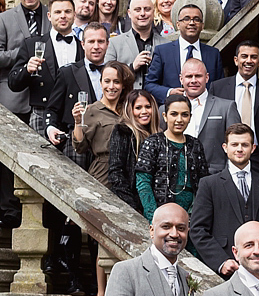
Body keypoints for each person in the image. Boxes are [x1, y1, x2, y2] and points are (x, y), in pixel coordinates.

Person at [188, 122, 259, 277]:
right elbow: (198, 229)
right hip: (227, 268)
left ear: (253, 148)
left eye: (244, 144)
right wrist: (221, 261)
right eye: (234, 144)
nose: (239, 149)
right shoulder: (209, 184)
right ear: (225, 147)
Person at [208, 39, 259, 173]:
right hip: (226, 158)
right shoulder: (218, 88)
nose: (249, 61)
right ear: (236, 60)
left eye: (254, 57)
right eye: (244, 56)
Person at [135, 92, 208, 220]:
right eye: (174, 114)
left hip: (191, 217)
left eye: (184, 115)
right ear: (165, 116)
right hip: (160, 215)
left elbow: (203, 184)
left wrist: (198, 216)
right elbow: (143, 182)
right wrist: (153, 216)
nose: (179, 119)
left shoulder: (195, 145)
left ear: (190, 117)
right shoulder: (153, 142)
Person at [73, 60, 134, 189]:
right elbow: (80, 147)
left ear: (123, 85)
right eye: (107, 81)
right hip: (104, 173)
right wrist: (78, 122)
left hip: (129, 170)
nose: (111, 86)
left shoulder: (129, 110)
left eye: (116, 82)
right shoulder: (92, 110)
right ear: (100, 83)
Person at [145, 0, 220, 103]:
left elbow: (220, 86)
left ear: (202, 26)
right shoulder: (163, 52)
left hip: (205, 111)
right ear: (178, 24)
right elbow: (149, 85)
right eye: (186, 19)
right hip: (173, 112)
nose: (192, 23)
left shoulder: (213, 54)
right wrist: (169, 92)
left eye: (196, 19)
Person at [109, 91, 161, 216]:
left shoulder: (160, 136)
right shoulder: (122, 131)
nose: (144, 111)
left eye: (148, 107)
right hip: (131, 206)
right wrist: (132, 206)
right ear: (130, 110)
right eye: (138, 108)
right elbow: (116, 172)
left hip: (157, 206)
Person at [105, 0, 159, 92]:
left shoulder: (165, 43)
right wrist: (132, 67)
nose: (142, 13)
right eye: (137, 10)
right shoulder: (114, 43)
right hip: (125, 103)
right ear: (129, 13)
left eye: (147, 9)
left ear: (154, 11)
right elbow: (107, 77)